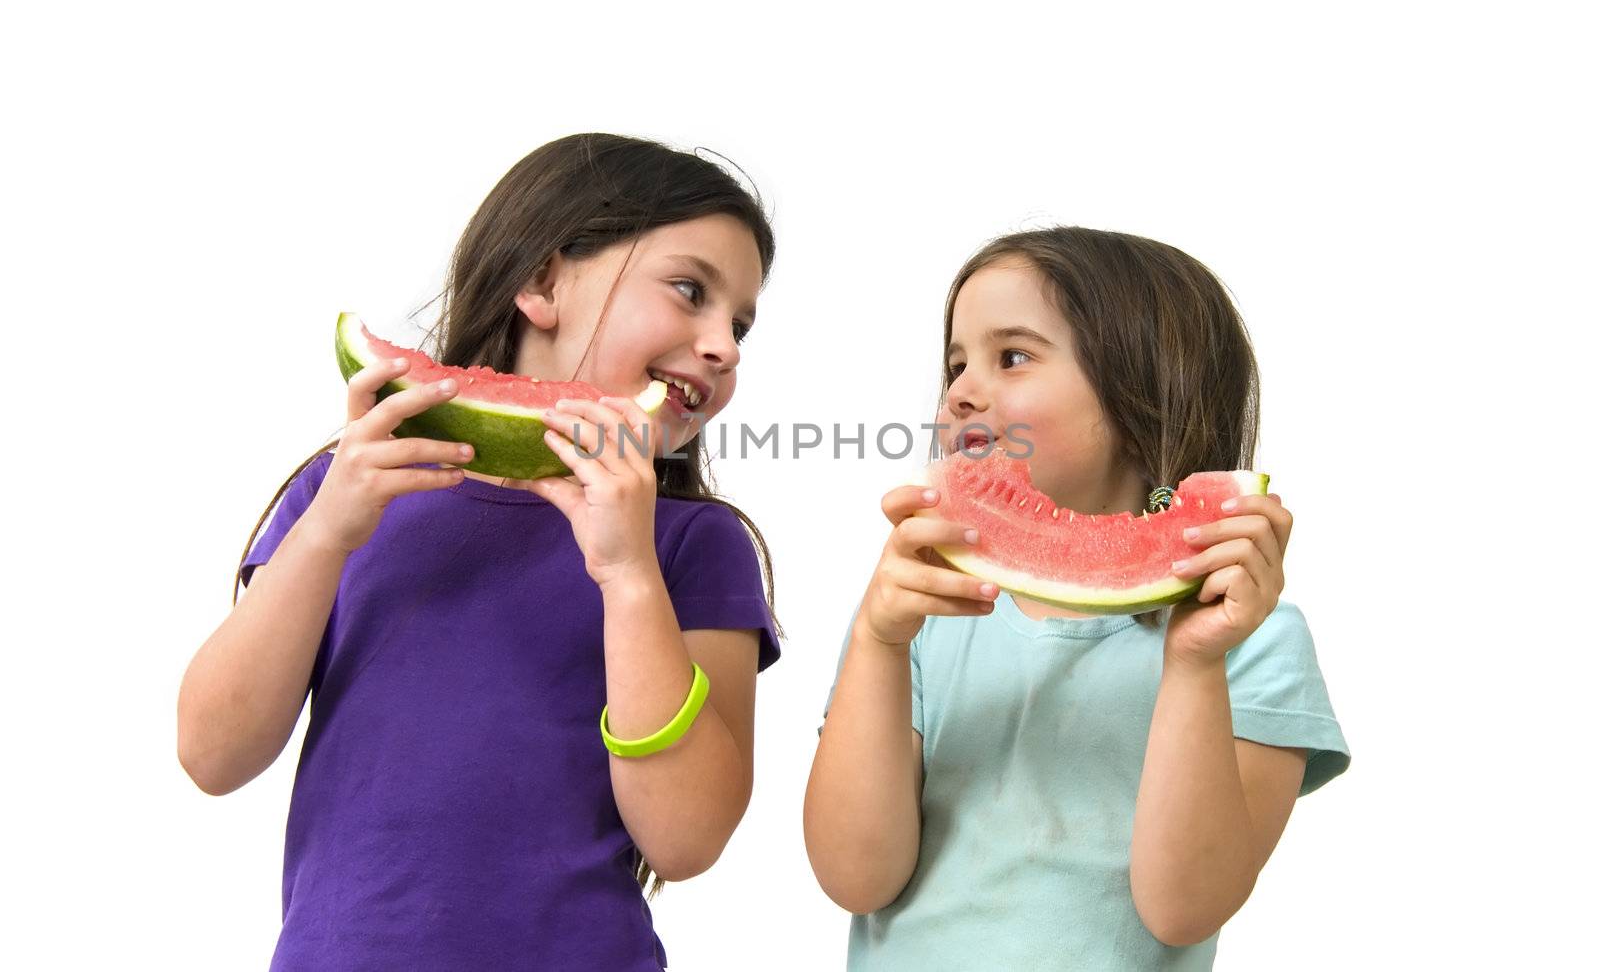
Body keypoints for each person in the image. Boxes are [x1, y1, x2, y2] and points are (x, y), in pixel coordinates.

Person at [177, 134, 781, 971]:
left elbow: (686, 837)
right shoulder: (349, 494)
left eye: (741, 323)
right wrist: (325, 535)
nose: (726, 346)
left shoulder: (691, 544)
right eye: (690, 291)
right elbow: (212, 752)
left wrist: (627, 573)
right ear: (542, 283)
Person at [804, 226, 1349, 969]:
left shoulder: (1253, 639)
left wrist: (1193, 661)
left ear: (1142, 390)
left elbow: (1184, 906)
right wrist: (877, 641)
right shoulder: (925, 612)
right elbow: (855, 874)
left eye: (1014, 356)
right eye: (957, 361)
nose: (961, 390)